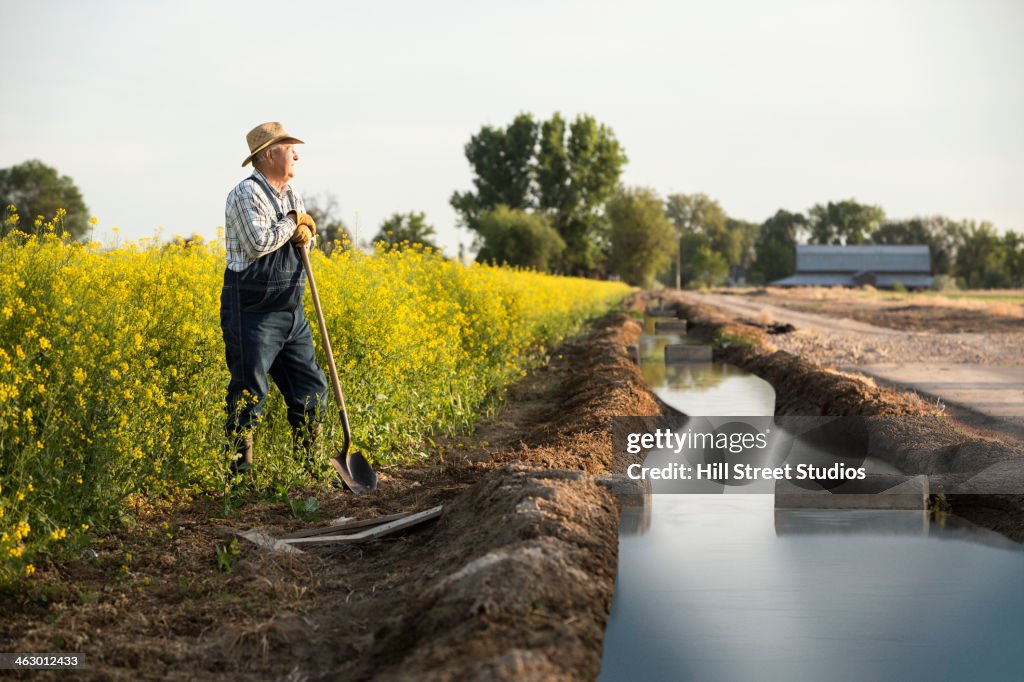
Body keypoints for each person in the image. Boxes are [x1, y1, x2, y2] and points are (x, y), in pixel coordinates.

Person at [221, 121, 329, 476]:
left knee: (310, 389)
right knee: (249, 393)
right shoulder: (245, 194)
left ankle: (307, 471)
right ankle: (240, 479)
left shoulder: (290, 195)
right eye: (288, 148)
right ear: (269, 154)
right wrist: (294, 222)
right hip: (253, 310)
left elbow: (302, 242)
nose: (296, 154)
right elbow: (258, 242)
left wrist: (306, 233)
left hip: (290, 310)